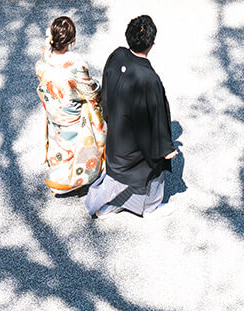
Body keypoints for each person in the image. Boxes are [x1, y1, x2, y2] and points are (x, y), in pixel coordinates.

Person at [84, 14, 177, 218]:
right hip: (137, 144)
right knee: (153, 168)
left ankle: (110, 205)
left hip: (118, 131)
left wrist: (108, 116)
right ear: (152, 43)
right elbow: (157, 114)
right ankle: (150, 208)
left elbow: (106, 89)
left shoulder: (116, 55)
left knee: (116, 175)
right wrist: (166, 148)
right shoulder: (148, 78)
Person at [35, 16, 106, 195]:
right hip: (71, 114)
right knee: (79, 140)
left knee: (58, 144)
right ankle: (74, 179)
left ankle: (56, 178)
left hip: (53, 109)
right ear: (71, 41)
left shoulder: (45, 58)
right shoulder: (75, 65)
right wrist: (98, 87)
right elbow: (90, 91)